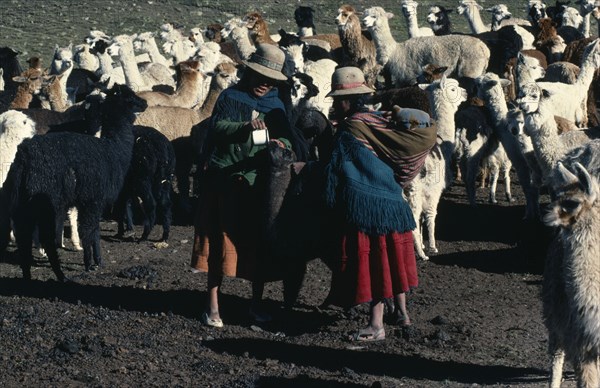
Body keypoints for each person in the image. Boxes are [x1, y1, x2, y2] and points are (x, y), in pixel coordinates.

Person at [324, 66, 437, 341]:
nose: (336, 106)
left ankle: (376, 325)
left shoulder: (352, 127)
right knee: (391, 260)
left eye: (338, 100)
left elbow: (340, 170)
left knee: (375, 264)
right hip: (394, 205)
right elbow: (420, 131)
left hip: (369, 209)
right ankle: (401, 314)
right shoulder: (382, 122)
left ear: (346, 101)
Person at [190, 44, 294, 328]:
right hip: (224, 179)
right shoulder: (230, 97)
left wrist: (279, 143)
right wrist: (243, 128)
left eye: (270, 79)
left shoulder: (276, 105)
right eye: (259, 76)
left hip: (257, 181)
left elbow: (287, 138)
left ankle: (256, 304)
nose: (263, 84)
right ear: (248, 72)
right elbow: (216, 129)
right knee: (217, 240)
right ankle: (212, 305)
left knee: (257, 244)